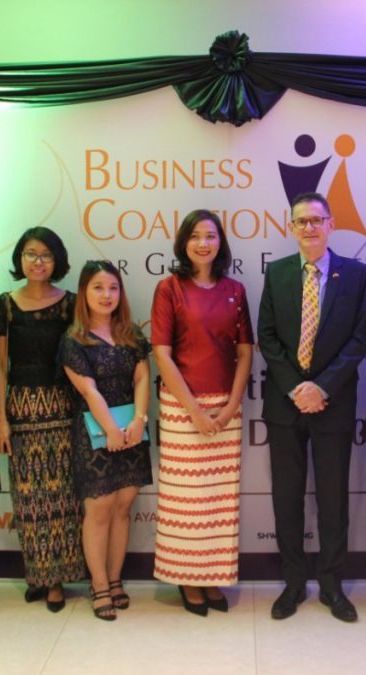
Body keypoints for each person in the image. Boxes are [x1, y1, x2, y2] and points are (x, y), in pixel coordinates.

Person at [257, 191, 366, 623]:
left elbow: (359, 340)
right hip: (286, 406)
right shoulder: (278, 272)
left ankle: (332, 585)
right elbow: (266, 336)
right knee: (286, 499)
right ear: (291, 227)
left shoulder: (356, 275)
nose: (309, 227)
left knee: (332, 499)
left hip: (333, 404)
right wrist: (296, 387)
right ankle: (292, 583)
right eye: (300, 221)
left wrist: (320, 387)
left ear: (331, 223)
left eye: (316, 220)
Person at [150, 210, 254, 616]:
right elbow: (161, 353)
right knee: (186, 502)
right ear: (183, 243)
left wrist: (230, 405)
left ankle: (212, 577)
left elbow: (245, 351)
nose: (203, 243)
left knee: (218, 503)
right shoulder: (169, 288)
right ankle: (186, 580)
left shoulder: (235, 289)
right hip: (181, 409)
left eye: (210, 236)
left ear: (220, 243)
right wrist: (193, 410)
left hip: (226, 409)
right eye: (195, 236)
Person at [0, 227, 86, 612]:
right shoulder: (6, 304)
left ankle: (58, 581)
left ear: (57, 260)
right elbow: (1, 363)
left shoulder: (71, 304)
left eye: (46, 255)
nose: (37, 261)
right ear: (19, 259)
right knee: (28, 499)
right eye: (30, 254)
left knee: (63, 498)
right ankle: (39, 574)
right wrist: (1, 417)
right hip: (21, 408)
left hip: (62, 407)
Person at [61, 260, 152, 621]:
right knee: (98, 511)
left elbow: (143, 379)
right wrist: (112, 431)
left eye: (113, 287)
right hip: (95, 435)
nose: (106, 295)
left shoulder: (131, 334)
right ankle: (99, 585)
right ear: (85, 292)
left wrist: (138, 421)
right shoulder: (73, 340)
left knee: (122, 508)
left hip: (133, 433)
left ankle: (116, 580)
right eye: (98, 287)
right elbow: (88, 389)